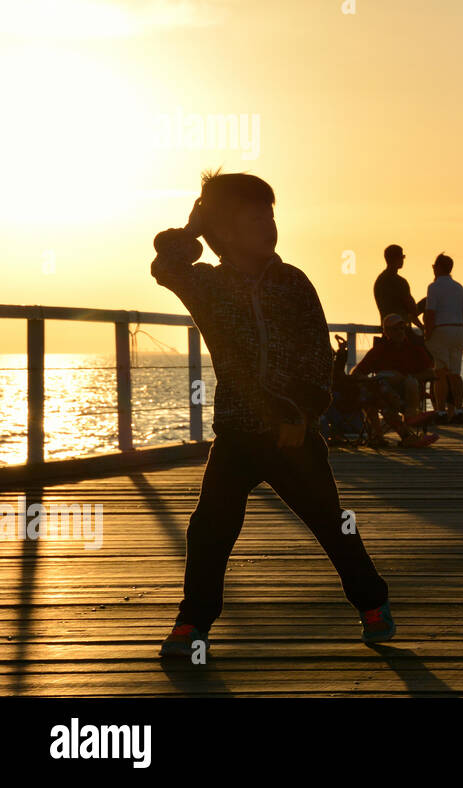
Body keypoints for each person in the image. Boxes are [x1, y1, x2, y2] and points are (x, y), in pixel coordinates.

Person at [150, 169, 395, 658]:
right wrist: (195, 226)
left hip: (292, 434)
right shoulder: (204, 285)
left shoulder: (293, 282)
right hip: (238, 433)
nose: (267, 224)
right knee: (210, 527)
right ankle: (193, 623)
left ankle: (371, 601)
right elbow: (165, 265)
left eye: (270, 214)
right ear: (222, 228)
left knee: (331, 522)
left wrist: (302, 412)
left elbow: (314, 353)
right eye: (253, 215)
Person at [351, 313, 441, 433]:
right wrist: (370, 380)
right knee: (377, 387)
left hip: (408, 390)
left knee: (410, 382)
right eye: (395, 329)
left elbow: (431, 374)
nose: (400, 332)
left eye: (402, 328)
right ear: (387, 331)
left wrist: (406, 377)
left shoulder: (414, 349)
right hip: (385, 392)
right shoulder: (379, 351)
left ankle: (406, 420)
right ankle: (407, 422)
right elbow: (356, 372)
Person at [422, 253, 463, 421]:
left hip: (441, 331)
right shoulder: (460, 288)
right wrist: (459, 326)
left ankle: (441, 411)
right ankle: (458, 410)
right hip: (458, 331)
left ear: (438, 267)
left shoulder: (434, 287)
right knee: (455, 374)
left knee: (440, 373)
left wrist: (427, 333)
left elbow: (430, 313)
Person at [373, 244, 418, 327]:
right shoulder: (400, 281)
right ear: (396, 258)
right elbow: (412, 308)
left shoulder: (380, 280)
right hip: (401, 328)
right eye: (402, 257)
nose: (403, 260)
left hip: (387, 328)